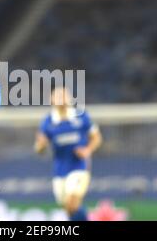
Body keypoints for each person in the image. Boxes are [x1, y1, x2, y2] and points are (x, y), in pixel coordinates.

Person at [34, 87, 102, 221]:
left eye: (63, 95)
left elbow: (96, 137)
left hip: (79, 167)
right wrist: (40, 146)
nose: (61, 98)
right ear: (51, 100)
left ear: (70, 98)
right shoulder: (48, 122)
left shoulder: (81, 116)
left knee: (72, 202)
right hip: (59, 170)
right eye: (57, 95)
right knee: (69, 209)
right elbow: (38, 149)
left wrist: (87, 150)